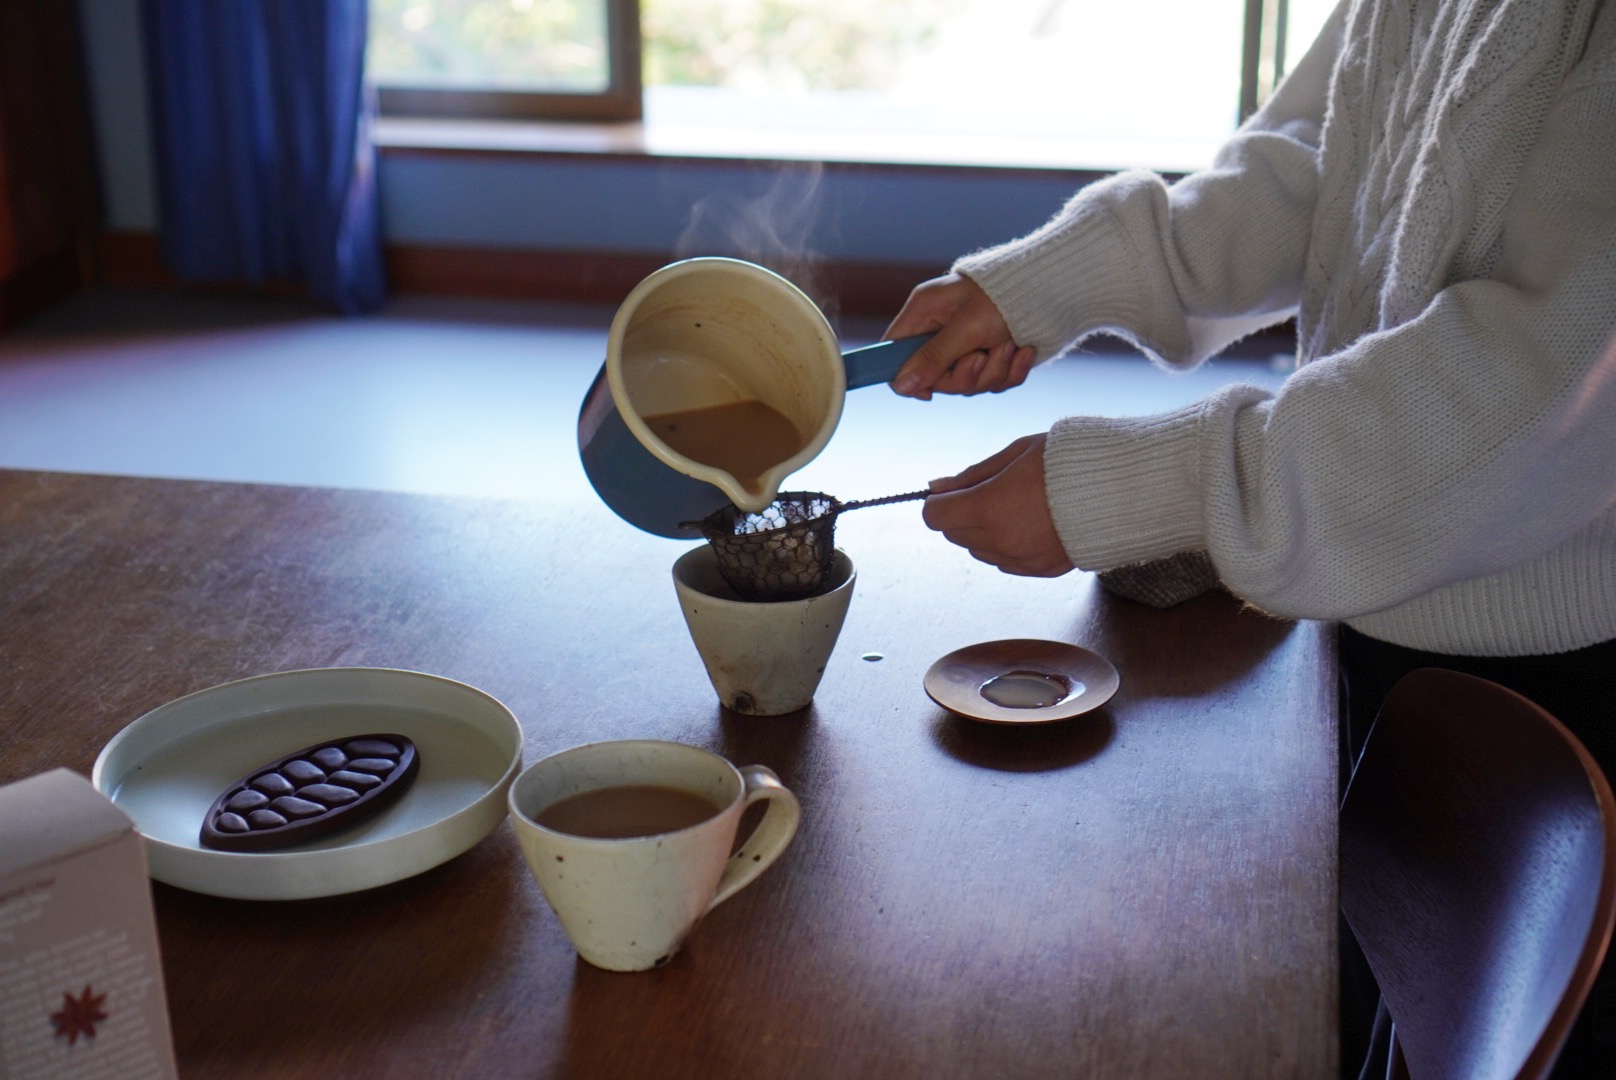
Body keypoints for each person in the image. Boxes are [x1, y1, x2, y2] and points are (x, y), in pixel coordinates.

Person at [882, 0, 1616, 1074]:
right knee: (1348, 1001)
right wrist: (1042, 285)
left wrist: (1147, 485)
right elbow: (1317, 165)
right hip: (1359, 590)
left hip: (1553, 697)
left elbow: (1533, 385)